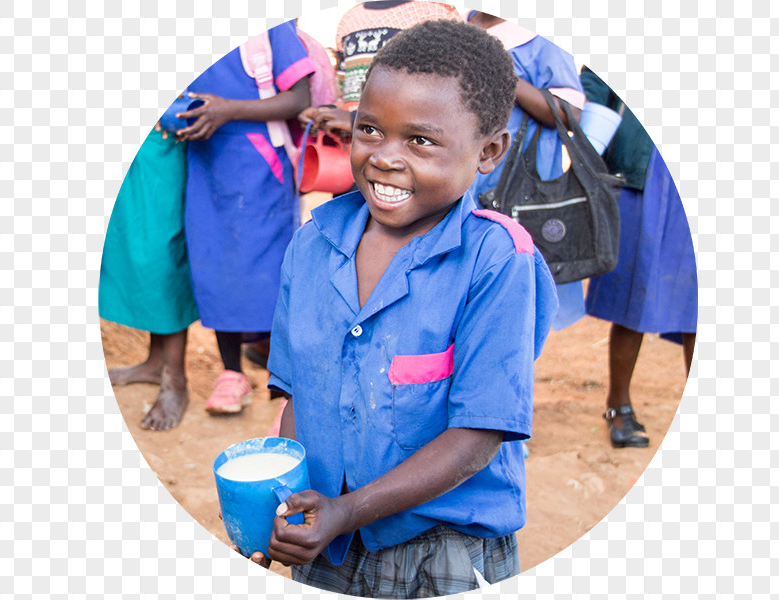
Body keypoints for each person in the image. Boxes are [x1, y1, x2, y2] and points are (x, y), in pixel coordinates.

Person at [237, 20, 559, 597]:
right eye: (369, 129)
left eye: (421, 140)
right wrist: (278, 506)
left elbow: (478, 435)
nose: (385, 158)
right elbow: (297, 397)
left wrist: (348, 510)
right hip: (330, 543)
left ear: (488, 151)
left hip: (444, 552)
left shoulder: (497, 262)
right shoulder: (312, 244)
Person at [173, 21, 315, 414]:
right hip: (205, 164)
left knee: (270, 270)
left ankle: (285, 381)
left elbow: (298, 98)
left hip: (260, 165)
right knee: (216, 266)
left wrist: (228, 110)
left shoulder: (273, 26)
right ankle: (232, 373)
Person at [580, 66, 698, 449]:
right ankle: (619, 403)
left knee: (699, 301)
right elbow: (591, 89)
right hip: (641, 171)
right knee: (635, 291)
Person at [466, 11, 588, 332]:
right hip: (464, 183)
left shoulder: (542, 37)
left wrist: (504, 73)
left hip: (517, 193)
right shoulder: (464, 23)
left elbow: (568, 113)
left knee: (511, 308)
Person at [99, 121, 198, 431]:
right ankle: (156, 363)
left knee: (160, 255)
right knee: (132, 249)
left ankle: (176, 380)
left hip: (166, 139)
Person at [296, 0, 461, 141]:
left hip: (405, 155)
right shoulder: (351, 19)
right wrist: (327, 113)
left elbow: (445, 102)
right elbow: (350, 96)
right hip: (356, 151)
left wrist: (356, 121)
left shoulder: (435, 14)